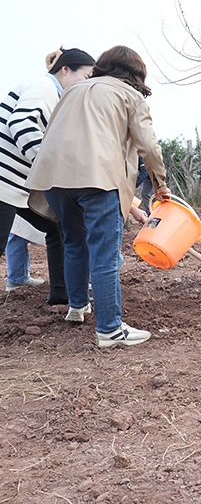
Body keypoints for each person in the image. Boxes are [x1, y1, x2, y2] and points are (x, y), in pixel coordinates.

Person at [26, 45, 170, 348]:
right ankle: (110, 329)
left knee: (75, 243)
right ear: (135, 75)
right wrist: (161, 184)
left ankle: (77, 306)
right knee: (104, 253)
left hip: (54, 179)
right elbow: (149, 145)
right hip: (96, 178)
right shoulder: (131, 96)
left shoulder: (74, 90)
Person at [0, 47, 95, 305]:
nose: (87, 85)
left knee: (57, 226)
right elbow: (21, 122)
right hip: (5, 182)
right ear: (65, 69)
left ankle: (62, 294)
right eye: (86, 77)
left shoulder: (54, 94)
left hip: (17, 184)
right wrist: (46, 166)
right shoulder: (43, 88)